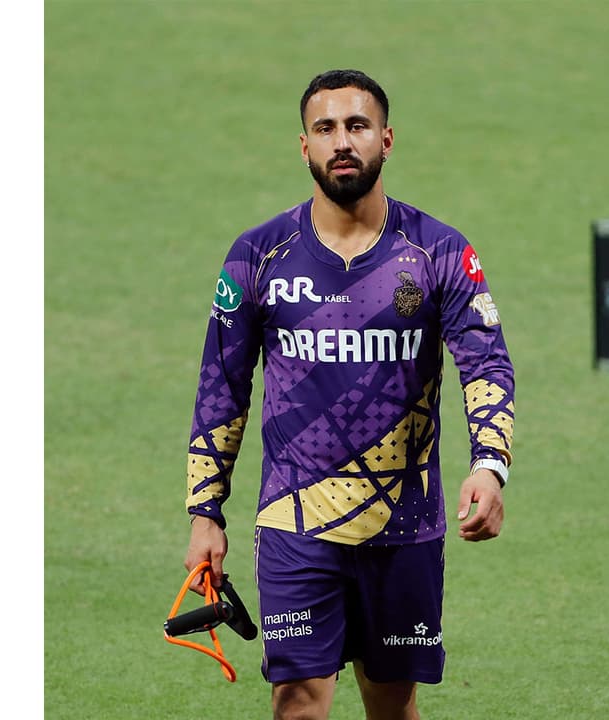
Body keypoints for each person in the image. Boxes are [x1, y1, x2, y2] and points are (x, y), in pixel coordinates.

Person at [183, 68, 515, 720]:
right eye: (325, 128)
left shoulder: (439, 252)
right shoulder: (257, 256)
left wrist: (490, 465)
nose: (342, 141)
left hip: (404, 524)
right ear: (303, 145)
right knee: (298, 706)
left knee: (392, 708)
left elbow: (486, 364)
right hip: (295, 524)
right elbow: (222, 386)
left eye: (357, 126)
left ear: (386, 139)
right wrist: (205, 511)